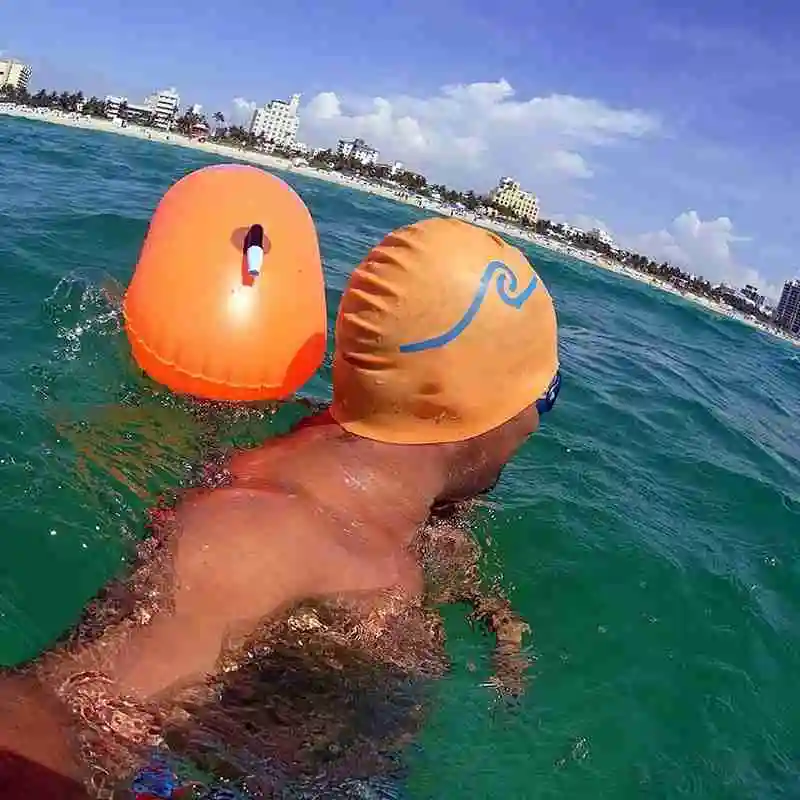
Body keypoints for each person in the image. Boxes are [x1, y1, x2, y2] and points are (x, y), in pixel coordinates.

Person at [0, 216, 560, 798]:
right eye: (546, 395)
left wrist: (493, 616)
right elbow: (51, 717)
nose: (535, 425)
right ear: (475, 411)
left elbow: (439, 546)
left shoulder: (388, 476)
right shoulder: (267, 535)